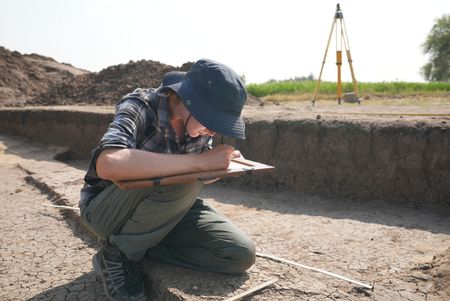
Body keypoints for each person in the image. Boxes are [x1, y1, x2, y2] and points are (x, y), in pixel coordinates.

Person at [79, 59, 256, 301]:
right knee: (184, 179)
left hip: (161, 211)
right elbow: (109, 163)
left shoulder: (198, 127)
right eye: (212, 121)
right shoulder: (140, 105)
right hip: (106, 209)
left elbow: (197, 176)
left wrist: (222, 165)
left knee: (239, 254)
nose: (213, 132)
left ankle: (139, 244)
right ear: (190, 102)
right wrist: (202, 162)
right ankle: (118, 254)